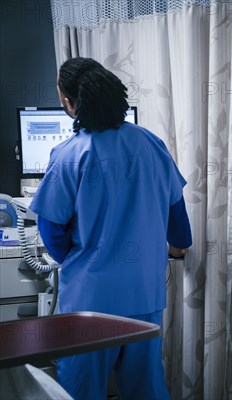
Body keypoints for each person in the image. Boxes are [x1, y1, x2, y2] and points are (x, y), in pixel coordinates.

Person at [30, 57, 192, 399]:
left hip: (91, 299)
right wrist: (177, 248)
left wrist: (79, 260)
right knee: (146, 388)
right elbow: (177, 216)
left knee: (80, 389)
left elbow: (51, 230)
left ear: (70, 103)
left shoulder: (69, 155)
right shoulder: (151, 144)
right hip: (144, 295)